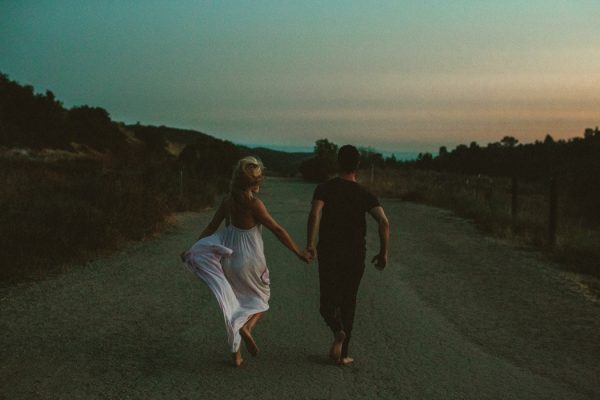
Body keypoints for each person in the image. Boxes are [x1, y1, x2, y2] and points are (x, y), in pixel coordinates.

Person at [181, 156, 310, 367]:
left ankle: (237, 356)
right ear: (254, 183)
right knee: (262, 299)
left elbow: (212, 227)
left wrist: (192, 249)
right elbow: (277, 230)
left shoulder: (228, 201)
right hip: (250, 261)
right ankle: (247, 327)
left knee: (236, 304)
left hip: (229, 260)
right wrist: (298, 252)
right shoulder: (255, 205)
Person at [305, 145, 390, 365]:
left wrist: (310, 244)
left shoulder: (324, 188)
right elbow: (383, 221)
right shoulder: (364, 194)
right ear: (358, 165)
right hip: (354, 255)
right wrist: (383, 253)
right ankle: (343, 355)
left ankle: (337, 330)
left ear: (337, 163)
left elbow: (315, 213)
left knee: (326, 303)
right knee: (348, 302)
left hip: (329, 252)